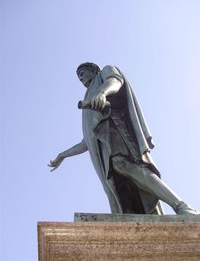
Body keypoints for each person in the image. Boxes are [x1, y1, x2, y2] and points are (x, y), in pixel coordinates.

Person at [49, 62, 198, 215]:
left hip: (117, 131)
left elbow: (115, 81)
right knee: (120, 175)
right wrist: (63, 155)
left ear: (93, 70)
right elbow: (86, 142)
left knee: (122, 163)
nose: (81, 78)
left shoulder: (104, 73)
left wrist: (102, 93)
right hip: (105, 145)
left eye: (82, 72)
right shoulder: (88, 99)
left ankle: (181, 205)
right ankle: (177, 206)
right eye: (78, 77)